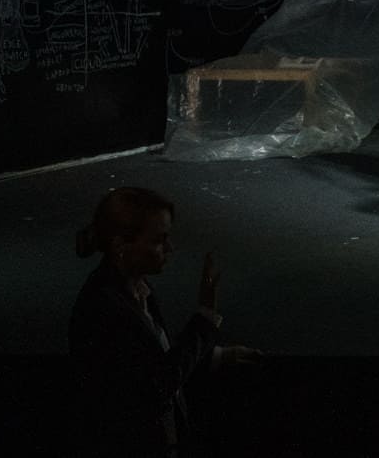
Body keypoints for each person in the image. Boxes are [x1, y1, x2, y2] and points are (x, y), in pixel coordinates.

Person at [68, 186, 258, 455]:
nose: (169, 248)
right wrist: (205, 318)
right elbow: (155, 387)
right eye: (158, 240)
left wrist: (215, 356)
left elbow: (154, 360)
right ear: (120, 245)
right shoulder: (104, 309)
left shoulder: (137, 289)